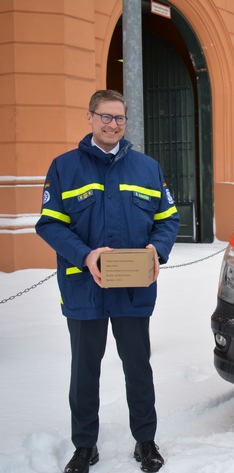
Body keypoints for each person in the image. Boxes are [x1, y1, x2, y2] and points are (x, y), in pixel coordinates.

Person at [35, 90, 179, 473]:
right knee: (84, 370)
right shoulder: (65, 167)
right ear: (90, 117)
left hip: (133, 287)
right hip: (85, 288)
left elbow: (168, 219)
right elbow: (49, 224)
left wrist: (156, 249)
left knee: (138, 366)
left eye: (120, 118)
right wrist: (86, 255)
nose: (113, 124)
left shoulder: (147, 168)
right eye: (106, 117)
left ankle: (145, 442)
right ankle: (84, 446)